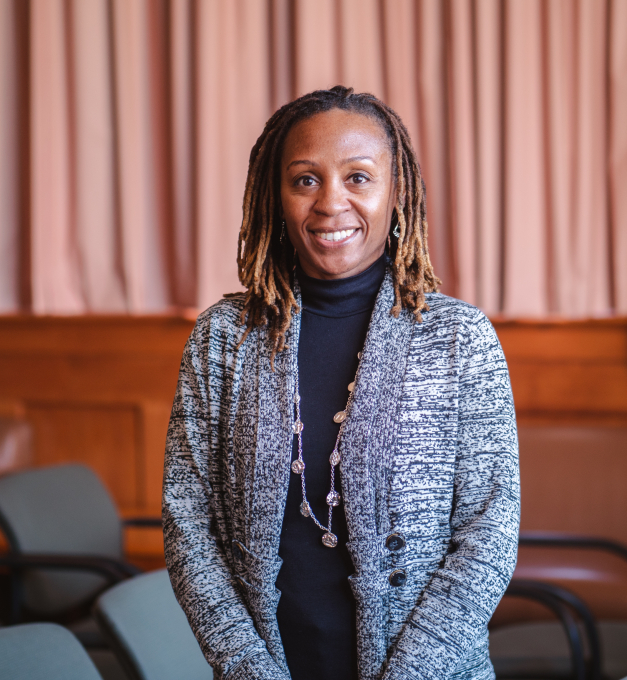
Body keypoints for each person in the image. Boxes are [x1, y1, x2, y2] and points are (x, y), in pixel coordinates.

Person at [163, 86, 519, 680]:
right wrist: (248, 668)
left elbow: (489, 530)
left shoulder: (461, 337)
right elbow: (188, 519)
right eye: (305, 180)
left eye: (359, 178)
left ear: (395, 193)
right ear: (274, 196)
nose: (331, 202)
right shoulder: (221, 337)